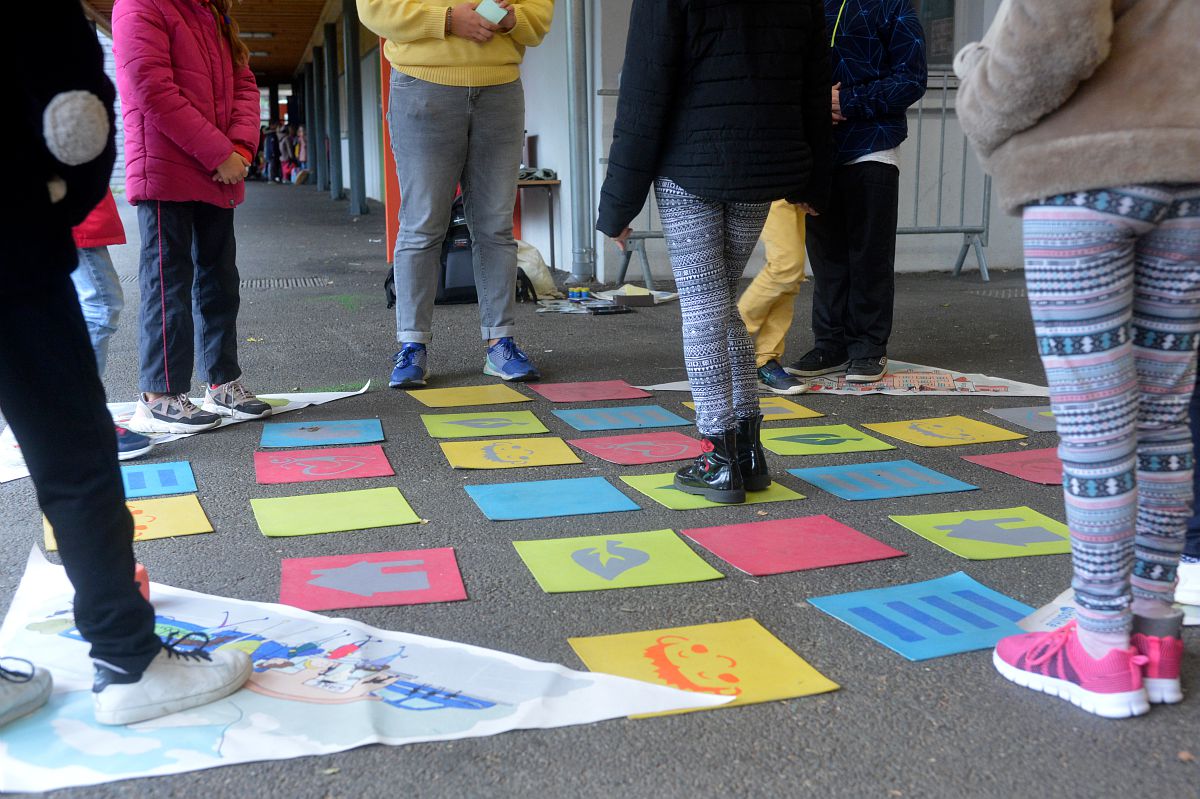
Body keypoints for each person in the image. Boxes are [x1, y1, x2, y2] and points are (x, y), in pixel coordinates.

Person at [2, 0, 250, 730]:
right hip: (12, 245)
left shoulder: (212, 17)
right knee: (74, 450)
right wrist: (49, 204)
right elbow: (77, 122)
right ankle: (127, 657)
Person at [957, 0, 1200, 718]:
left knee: (1097, 428)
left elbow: (1054, 30)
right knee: (1164, 419)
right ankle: (1155, 639)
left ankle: (1096, 646)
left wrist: (976, 91)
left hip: (1085, 169)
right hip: (1191, 165)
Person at [597, 0, 832, 503]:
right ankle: (748, 450)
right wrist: (814, 180)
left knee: (704, 307)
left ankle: (718, 456)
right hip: (762, 165)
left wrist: (618, 203)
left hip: (690, 165)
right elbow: (813, 83)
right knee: (722, 302)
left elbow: (644, 90)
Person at [358, 0, 554, 388]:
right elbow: (374, 9)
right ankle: (412, 345)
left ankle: (501, 342)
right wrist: (446, 19)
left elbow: (540, 14)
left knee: (495, 225)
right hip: (421, 85)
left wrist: (514, 18)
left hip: (500, 88)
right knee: (422, 224)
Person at [114, 0, 273, 435]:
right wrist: (220, 153)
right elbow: (150, 88)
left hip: (218, 170)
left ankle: (222, 382)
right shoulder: (139, 5)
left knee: (220, 280)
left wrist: (239, 149)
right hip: (167, 168)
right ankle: (160, 395)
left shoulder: (211, 12)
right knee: (168, 284)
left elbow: (244, 84)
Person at [789, 0, 926, 385]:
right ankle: (830, 343)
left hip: (873, 147)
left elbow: (912, 77)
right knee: (826, 257)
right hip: (819, 152)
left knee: (869, 254)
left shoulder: (891, 5)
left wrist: (847, 102)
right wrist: (815, 106)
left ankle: (868, 347)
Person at [71, 191, 155, 460]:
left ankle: (69, 418)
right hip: (66, 208)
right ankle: (84, 423)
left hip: (64, 207)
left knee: (57, 309)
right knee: (101, 306)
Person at [737, 202, 811, 395]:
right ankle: (728, 340)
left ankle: (765, 361)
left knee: (790, 277)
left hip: (794, 186)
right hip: (771, 186)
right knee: (786, 267)